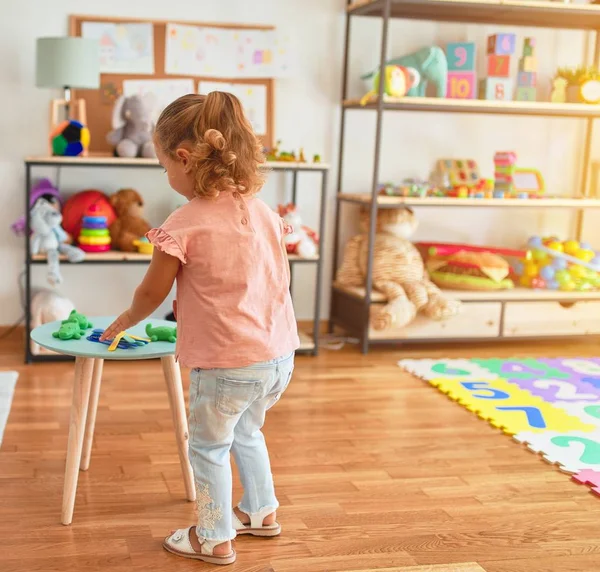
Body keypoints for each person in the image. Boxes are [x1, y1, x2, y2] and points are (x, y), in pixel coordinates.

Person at [101, 92, 299, 565]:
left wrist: (126, 321)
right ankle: (261, 512)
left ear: (185, 159)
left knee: (209, 446)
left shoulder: (183, 223)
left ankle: (213, 537)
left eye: (165, 167)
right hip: (277, 358)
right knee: (248, 432)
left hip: (226, 364)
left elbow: (151, 294)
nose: (167, 176)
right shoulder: (264, 211)